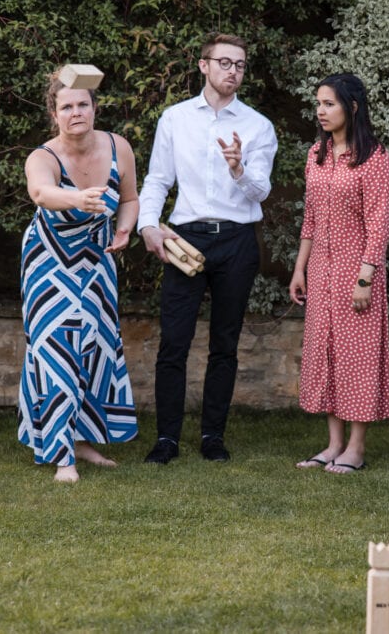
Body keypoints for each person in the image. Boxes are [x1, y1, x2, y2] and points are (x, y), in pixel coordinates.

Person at [138, 33, 278, 464]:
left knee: (225, 343)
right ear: (203, 66)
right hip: (185, 237)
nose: (232, 71)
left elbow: (260, 192)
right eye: (224, 62)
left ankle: (212, 436)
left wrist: (237, 167)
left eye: (239, 64)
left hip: (237, 241)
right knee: (174, 343)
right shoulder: (175, 119)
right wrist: (147, 225)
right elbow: (158, 179)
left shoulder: (257, 126)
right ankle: (166, 440)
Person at [17, 70, 139, 483]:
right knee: (56, 349)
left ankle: (83, 442)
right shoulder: (43, 157)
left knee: (94, 347)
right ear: (54, 114)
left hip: (97, 259)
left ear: (94, 108)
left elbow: (130, 198)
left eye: (82, 104)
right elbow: (40, 193)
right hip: (48, 263)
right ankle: (61, 455)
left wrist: (124, 228)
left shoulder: (118, 146)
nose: (76, 112)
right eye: (66, 106)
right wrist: (77, 198)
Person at [289, 73, 389, 474]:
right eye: (318, 103)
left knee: (357, 358)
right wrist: (300, 269)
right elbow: (310, 220)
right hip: (320, 273)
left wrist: (365, 278)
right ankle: (332, 445)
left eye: (329, 103)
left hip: (357, 273)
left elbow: (378, 224)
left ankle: (356, 448)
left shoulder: (375, 159)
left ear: (352, 108)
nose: (320, 110)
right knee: (326, 356)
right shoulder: (317, 154)